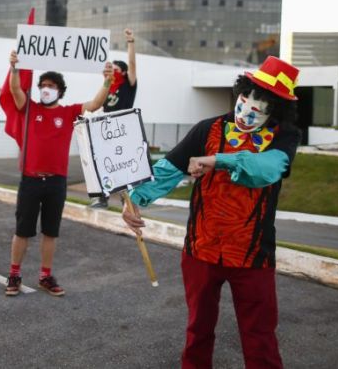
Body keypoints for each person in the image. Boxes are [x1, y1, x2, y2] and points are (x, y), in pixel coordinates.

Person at [123, 57, 300, 368]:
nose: (247, 111)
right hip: (200, 252)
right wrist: (134, 200)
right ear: (240, 93)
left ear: (276, 111)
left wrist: (218, 160)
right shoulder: (207, 128)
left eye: (260, 106)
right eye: (246, 99)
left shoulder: (284, 137)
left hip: (252, 257)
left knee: (260, 338)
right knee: (198, 331)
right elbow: (167, 170)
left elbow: (267, 169)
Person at [2, 51, 113, 296]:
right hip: (30, 180)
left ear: (60, 91)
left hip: (56, 183)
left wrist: (107, 81)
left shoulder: (69, 112)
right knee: (22, 231)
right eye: (42, 86)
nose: (45, 89)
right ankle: (14, 274)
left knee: (51, 231)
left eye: (51, 86)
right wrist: (15, 69)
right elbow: (16, 91)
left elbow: (94, 104)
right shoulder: (29, 109)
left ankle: (45, 275)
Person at [91, 27, 138, 208]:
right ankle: (103, 198)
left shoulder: (128, 85)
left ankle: (127, 201)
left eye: (117, 70)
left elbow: (132, 64)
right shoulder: (108, 86)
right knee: (103, 163)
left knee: (122, 165)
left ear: (124, 73)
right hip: (106, 128)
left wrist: (130, 42)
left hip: (122, 128)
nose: (114, 72)